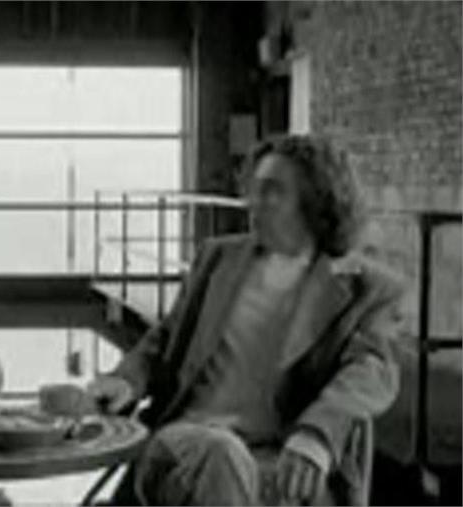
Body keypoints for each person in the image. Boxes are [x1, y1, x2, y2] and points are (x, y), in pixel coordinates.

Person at [87, 134, 405, 506]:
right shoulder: (217, 258)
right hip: (186, 439)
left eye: (271, 190)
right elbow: (165, 339)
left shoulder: (370, 289)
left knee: (246, 470)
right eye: (253, 189)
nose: (252, 201)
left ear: (316, 201)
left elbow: (371, 369)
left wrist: (316, 434)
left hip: (280, 453)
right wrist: (125, 380)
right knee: (222, 455)